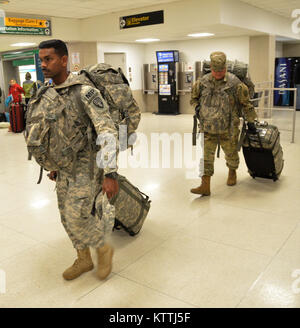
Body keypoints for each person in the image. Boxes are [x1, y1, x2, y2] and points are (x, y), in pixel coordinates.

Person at [36, 39, 119, 281]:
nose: (43, 64)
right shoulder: (49, 93)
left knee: (78, 214)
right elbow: (51, 131)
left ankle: (103, 248)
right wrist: (52, 164)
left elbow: (107, 131)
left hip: (88, 166)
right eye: (41, 59)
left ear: (64, 60)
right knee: (65, 214)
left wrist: (110, 173)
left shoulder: (85, 92)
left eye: (48, 59)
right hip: (63, 168)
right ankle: (83, 259)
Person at [190, 51, 257, 196]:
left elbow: (246, 104)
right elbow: (194, 97)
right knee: (207, 156)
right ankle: (205, 185)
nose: (218, 73)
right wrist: (197, 107)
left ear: (225, 68)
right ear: (211, 68)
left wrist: (251, 121)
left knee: (231, 153)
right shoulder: (203, 82)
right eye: (215, 70)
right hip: (208, 126)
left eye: (220, 71)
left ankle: (232, 171)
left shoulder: (235, 84)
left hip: (229, 128)